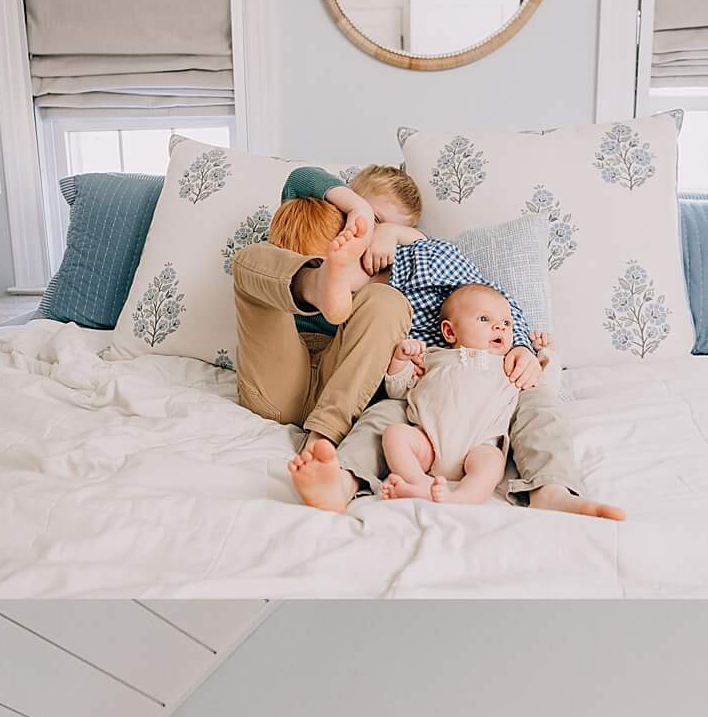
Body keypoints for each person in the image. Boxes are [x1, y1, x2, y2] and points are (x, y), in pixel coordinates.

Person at [231, 165, 618, 519]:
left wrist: (518, 346)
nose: (372, 233)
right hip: (280, 378)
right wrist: (358, 214)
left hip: (353, 391)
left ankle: (328, 454)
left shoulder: (421, 263)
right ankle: (317, 284)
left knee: (386, 305)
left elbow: (488, 300)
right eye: (371, 218)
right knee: (250, 259)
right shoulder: (317, 223)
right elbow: (300, 179)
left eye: (386, 226)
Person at [379, 286, 530, 506]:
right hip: (428, 441)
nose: (500, 327)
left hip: (479, 447)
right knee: (395, 434)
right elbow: (397, 391)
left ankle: (462, 497)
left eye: (506, 323)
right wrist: (400, 361)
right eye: (484, 318)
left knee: (493, 462)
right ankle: (418, 482)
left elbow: (540, 385)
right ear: (450, 332)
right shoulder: (432, 359)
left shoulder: (509, 365)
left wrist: (547, 354)